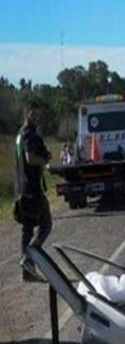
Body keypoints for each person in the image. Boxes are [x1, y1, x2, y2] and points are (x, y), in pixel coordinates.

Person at [14, 98, 53, 282]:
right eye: (34, 113)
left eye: (39, 113)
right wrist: (44, 160)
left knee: (28, 229)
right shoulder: (29, 135)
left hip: (22, 188)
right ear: (27, 112)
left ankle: (27, 270)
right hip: (31, 188)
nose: (37, 116)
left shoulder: (20, 134)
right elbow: (30, 159)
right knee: (45, 225)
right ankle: (29, 256)